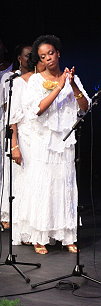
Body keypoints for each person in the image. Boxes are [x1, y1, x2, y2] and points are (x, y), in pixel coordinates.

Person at [16, 35, 89, 254]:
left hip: (65, 142)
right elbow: (37, 110)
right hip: (43, 142)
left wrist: (72, 84)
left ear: (58, 53)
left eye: (50, 53)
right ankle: (39, 237)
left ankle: (67, 236)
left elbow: (84, 107)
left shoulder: (71, 78)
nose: (48, 58)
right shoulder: (35, 81)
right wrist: (58, 87)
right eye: (42, 56)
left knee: (64, 185)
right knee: (44, 185)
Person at [1, 44, 32, 229]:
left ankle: (23, 214)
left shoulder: (37, 78)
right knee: (10, 169)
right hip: (12, 125)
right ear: (19, 58)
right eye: (27, 55)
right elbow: (5, 105)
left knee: (25, 172)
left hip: (30, 130)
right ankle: (6, 212)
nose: (30, 58)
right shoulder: (10, 78)